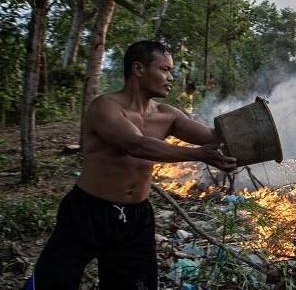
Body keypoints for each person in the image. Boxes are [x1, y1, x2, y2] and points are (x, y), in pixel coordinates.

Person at [24, 41, 237, 290]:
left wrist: (263, 122)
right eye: (164, 70)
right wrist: (198, 154)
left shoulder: (168, 115)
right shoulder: (105, 107)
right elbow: (135, 145)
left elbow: (214, 136)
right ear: (138, 69)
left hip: (136, 218)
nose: (171, 77)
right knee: (52, 282)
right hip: (87, 212)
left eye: (171, 71)